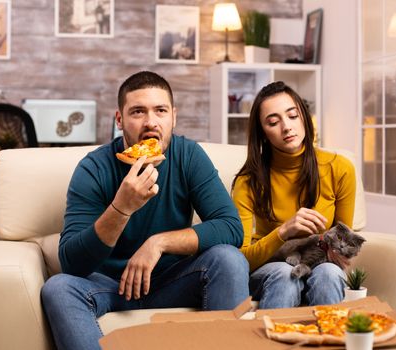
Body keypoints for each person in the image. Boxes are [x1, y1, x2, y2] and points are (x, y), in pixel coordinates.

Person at [41, 71, 249, 350]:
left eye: (160, 110)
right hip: (110, 287)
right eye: (138, 112)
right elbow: (72, 263)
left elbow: (231, 228)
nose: (151, 122)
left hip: (172, 282)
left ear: (173, 116)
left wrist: (159, 243)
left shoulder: (188, 155)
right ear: (120, 120)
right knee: (58, 288)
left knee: (229, 258)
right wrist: (121, 208)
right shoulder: (94, 168)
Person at [232, 81, 356, 309]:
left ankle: (329, 340)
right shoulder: (248, 181)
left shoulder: (340, 168)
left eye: (292, 116)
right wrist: (283, 232)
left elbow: (343, 246)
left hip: (320, 263)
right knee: (284, 273)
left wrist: (334, 248)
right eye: (273, 122)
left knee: (329, 273)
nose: (287, 127)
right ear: (263, 133)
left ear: (304, 118)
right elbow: (239, 260)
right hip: (271, 268)